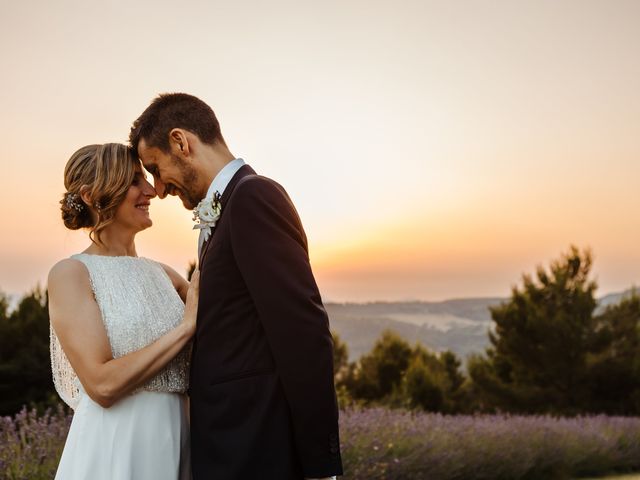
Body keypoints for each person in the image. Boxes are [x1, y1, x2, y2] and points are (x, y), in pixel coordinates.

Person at [130, 93, 343, 480]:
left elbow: (303, 335)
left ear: (181, 142)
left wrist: (319, 465)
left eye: (156, 168)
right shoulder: (226, 208)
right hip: (230, 449)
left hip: (259, 450)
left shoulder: (254, 198)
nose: (158, 189)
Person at [48, 143, 198, 480]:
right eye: (134, 181)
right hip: (114, 449)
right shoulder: (71, 274)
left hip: (177, 446)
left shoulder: (165, 275)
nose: (150, 191)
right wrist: (186, 328)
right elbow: (101, 385)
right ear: (91, 196)